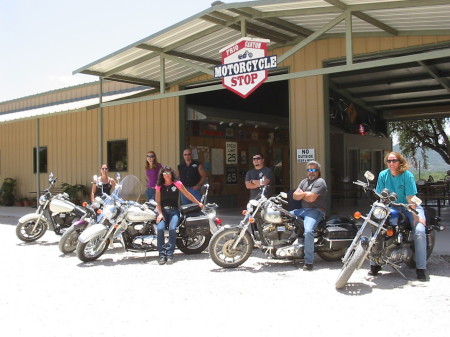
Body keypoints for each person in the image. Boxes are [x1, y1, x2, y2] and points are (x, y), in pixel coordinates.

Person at [370, 151, 428, 281]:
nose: (391, 163)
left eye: (394, 160)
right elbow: (380, 196)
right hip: (391, 207)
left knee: (419, 232)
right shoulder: (383, 175)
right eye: (389, 161)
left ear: (400, 161)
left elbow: (410, 198)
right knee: (376, 227)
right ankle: (374, 263)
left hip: (409, 206)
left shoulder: (407, 176)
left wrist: (415, 216)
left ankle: (421, 268)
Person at [155, 166, 203, 265]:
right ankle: (162, 255)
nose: (167, 175)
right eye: (165, 173)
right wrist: (160, 214)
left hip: (174, 211)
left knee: (172, 229)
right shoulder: (159, 186)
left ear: (172, 174)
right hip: (163, 211)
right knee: (160, 229)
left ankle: (169, 254)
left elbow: (187, 194)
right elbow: (158, 202)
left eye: (168, 173)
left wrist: (198, 203)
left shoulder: (177, 183)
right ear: (162, 175)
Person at [290, 160, 327, 271]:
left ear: (318, 171)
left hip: (315, 211)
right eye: (309, 170)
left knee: (309, 232)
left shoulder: (320, 182)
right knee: (282, 216)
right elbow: (295, 196)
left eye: (313, 170)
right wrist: (306, 194)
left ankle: (308, 262)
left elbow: (311, 199)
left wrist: (303, 194)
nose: (311, 172)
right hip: (302, 210)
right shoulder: (304, 181)